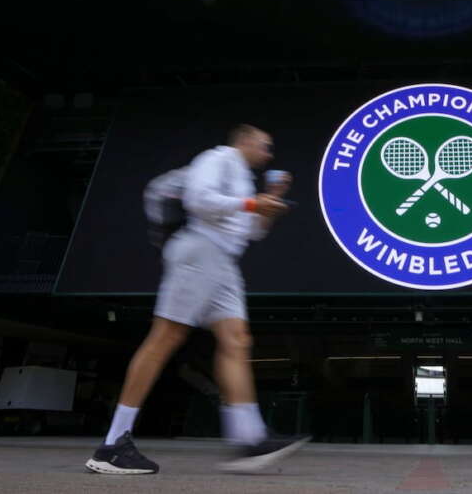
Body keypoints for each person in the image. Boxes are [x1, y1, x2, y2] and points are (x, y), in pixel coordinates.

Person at [86, 124, 309, 475]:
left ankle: (249, 439)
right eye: (264, 147)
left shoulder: (243, 180)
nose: (268, 155)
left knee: (236, 340)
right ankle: (112, 445)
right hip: (199, 251)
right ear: (245, 142)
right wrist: (253, 202)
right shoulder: (218, 158)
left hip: (223, 262)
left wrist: (267, 206)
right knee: (166, 337)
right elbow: (198, 200)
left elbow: (250, 231)